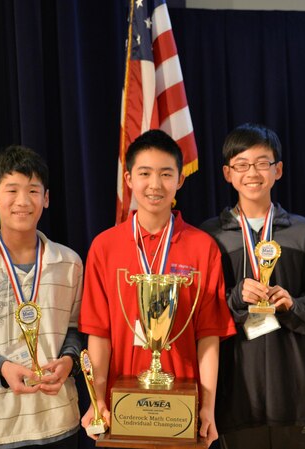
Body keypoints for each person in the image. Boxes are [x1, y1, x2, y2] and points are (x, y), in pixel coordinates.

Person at [79, 130, 236, 446]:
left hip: (182, 410)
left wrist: (207, 407)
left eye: (166, 174)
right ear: (128, 178)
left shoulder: (203, 247)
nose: (155, 185)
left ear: (179, 179)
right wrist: (97, 403)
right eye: (145, 173)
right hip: (122, 410)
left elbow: (208, 336)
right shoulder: (104, 247)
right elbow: (99, 333)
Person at [200, 124, 305, 449]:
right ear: (227, 173)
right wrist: (236, 297)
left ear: (278, 170)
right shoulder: (210, 236)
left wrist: (292, 304)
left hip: (296, 394)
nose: (253, 173)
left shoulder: (303, 232)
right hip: (236, 394)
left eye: (262, 163)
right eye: (242, 165)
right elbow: (200, 316)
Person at [0, 145, 83, 449]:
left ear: (46, 199)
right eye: (12, 190)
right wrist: (2, 370)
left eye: (33, 191)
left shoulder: (70, 263)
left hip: (58, 419)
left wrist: (69, 361)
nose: (23, 201)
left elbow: (76, 330)